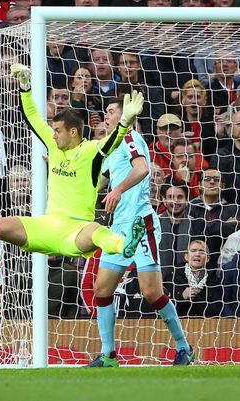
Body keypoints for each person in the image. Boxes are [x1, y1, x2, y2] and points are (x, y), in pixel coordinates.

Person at [0, 64, 147, 271]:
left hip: (76, 230)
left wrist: (125, 121)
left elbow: (113, 140)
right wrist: (25, 88)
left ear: (73, 132)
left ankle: (123, 245)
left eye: (58, 130)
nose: (53, 134)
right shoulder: (53, 145)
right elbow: (32, 117)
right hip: (45, 226)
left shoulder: (92, 151)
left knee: (97, 231)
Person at [89, 98, 193, 367]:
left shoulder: (130, 137)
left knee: (151, 293)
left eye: (112, 111)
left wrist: (118, 189)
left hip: (140, 223)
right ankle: (108, 354)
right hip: (119, 228)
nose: (107, 116)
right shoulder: (110, 147)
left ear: (127, 115)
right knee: (101, 289)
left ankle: (183, 346)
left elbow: (142, 169)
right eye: (107, 112)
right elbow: (98, 181)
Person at [163, 239, 222, 317]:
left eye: (201, 251)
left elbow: (216, 310)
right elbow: (165, 309)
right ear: (186, 256)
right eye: (193, 251)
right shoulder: (172, 278)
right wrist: (182, 296)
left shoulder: (214, 280)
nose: (197, 254)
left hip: (206, 325)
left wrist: (196, 298)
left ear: (207, 259)